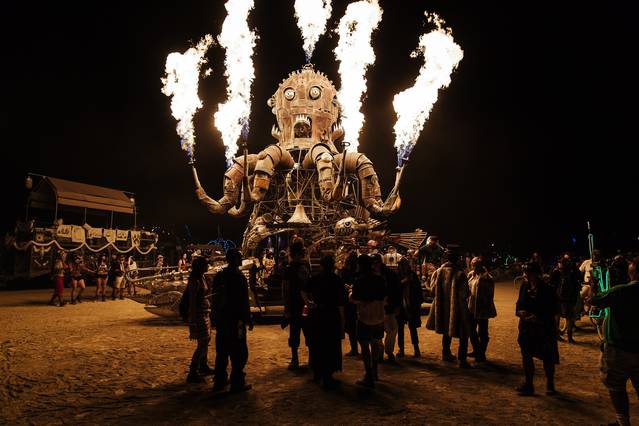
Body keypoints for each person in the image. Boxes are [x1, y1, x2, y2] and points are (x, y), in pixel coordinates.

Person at [588, 255, 639, 426]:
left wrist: (593, 284)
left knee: (616, 386)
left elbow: (593, 300)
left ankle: (623, 422)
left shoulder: (620, 291)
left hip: (619, 348)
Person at [211, 248, 253, 393]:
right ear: (234, 259)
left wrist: (214, 317)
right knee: (239, 352)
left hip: (222, 320)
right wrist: (248, 318)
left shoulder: (220, 276)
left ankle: (220, 380)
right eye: (239, 257)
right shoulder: (239, 277)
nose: (241, 260)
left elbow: (214, 298)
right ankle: (237, 382)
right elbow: (243, 301)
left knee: (222, 351)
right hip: (236, 322)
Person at [515, 261, 560, 396]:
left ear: (536, 274)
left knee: (548, 357)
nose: (526, 275)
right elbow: (519, 304)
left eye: (529, 273)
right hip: (527, 328)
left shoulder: (547, 289)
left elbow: (554, 309)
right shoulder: (524, 286)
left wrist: (538, 317)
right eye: (526, 273)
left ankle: (550, 384)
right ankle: (529, 384)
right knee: (526, 355)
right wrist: (520, 312)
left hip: (544, 328)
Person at [426, 245, 472, 368]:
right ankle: (462, 360)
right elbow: (465, 294)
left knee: (446, 330)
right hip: (458, 308)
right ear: (457, 259)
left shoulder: (439, 271)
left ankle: (446, 354)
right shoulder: (460, 274)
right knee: (463, 333)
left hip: (443, 308)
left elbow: (433, 290)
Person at [304, 255, 346, 388]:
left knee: (317, 344)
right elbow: (341, 304)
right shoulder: (336, 280)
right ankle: (327, 376)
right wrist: (342, 321)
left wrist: (309, 303)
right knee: (330, 345)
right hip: (331, 315)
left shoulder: (316, 278)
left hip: (317, 315)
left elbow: (303, 290)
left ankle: (317, 372)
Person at [351, 254, 387, 388]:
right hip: (378, 316)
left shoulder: (360, 280)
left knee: (365, 347)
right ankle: (375, 372)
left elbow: (355, 298)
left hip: (365, 317)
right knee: (376, 344)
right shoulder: (379, 279)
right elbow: (384, 295)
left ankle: (368, 375)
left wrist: (350, 293)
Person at [282, 240, 310, 370]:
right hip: (304, 304)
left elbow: (286, 289)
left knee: (295, 332)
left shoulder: (290, 268)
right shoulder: (305, 266)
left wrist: (286, 308)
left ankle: (295, 360)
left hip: (295, 305)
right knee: (307, 331)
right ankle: (309, 359)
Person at [186, 256, 213, 383]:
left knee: (206, 340)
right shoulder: (194, 280)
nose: (208, 266)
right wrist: (192, 320)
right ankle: (193, 371)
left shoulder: (202, 277)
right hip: (199, 314)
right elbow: (192, 302)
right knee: (202, 343)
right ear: (201, 266)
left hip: (205, 312)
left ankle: (203, 365)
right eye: (206, 264)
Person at [467, 257, 497, 362]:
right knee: (471, 331)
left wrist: (484, 306)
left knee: (483, 333)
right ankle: (477, 350)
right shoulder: (471, 275)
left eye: (475, 264)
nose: (473, 266)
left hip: (482, 309)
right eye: (472, 264)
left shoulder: (487, 278)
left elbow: (490, 295)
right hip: (471, 308)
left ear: (480, 265)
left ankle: (481, 353)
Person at [372, 254, 401, 363]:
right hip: (377, 306)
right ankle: (381, 352)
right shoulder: (373, 274)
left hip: (387, 306)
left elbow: (397, 290)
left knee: (392, 329)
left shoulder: (389, 274)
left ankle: (387, 351)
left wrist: (396, 304)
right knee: (378, 331)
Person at [550, 255, 581, 343]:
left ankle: (558, 335)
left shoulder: (556, 272)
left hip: (559, 297)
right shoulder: (571, 272)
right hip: (567, 298)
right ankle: (569, 337)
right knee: (568, 317)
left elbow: (551, 284)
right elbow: (577, 283)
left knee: (558, 316)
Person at [397, 257, 423, 358]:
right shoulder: (397, 276)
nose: (401, 267)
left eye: (403, 265)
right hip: (401, 306)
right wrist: (404, 281)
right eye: (400, 265)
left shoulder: (413, 275)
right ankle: (401, 350)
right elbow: (395, 287)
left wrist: (417, 305)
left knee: (413, 329)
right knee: (400, 329)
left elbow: (418, 291)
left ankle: (416, 349)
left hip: (411, 306)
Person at [339, 251, 359, 356]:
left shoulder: (345, 270)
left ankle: (354, 348)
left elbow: (342, 283)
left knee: (351, 325)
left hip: (349, 300)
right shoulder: (358, 270)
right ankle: (357, 348)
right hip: (357, 300)